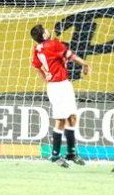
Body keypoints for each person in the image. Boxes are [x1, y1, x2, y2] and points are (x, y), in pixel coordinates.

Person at [30, 23, 90, 168]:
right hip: (59, 86)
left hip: (60, 84)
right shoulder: (52, 44)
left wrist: (45, 79)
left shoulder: (37, 49)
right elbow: (70, 55)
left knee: (72, 117)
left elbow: (36, 66)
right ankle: (55, 155)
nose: (48, 30)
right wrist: (85, 64)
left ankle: (71, 153)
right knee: (61, 120)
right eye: (45, 29)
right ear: (44, 35)